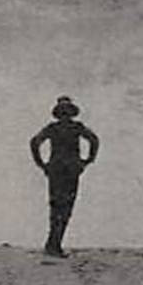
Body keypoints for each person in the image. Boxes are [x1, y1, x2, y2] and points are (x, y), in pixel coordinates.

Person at [29, 96, 99, 258]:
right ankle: (54, 245)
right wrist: (87, 160)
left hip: (59, 169)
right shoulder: (74, 128)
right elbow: (94, 140)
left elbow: (35, 142)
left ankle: (53, 244)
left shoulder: (55, 128)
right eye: (64, 112)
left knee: (60, 206)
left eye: (67, 112)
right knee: (63, 206)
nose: (65, 115)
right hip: (67, 169)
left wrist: (42, 164)